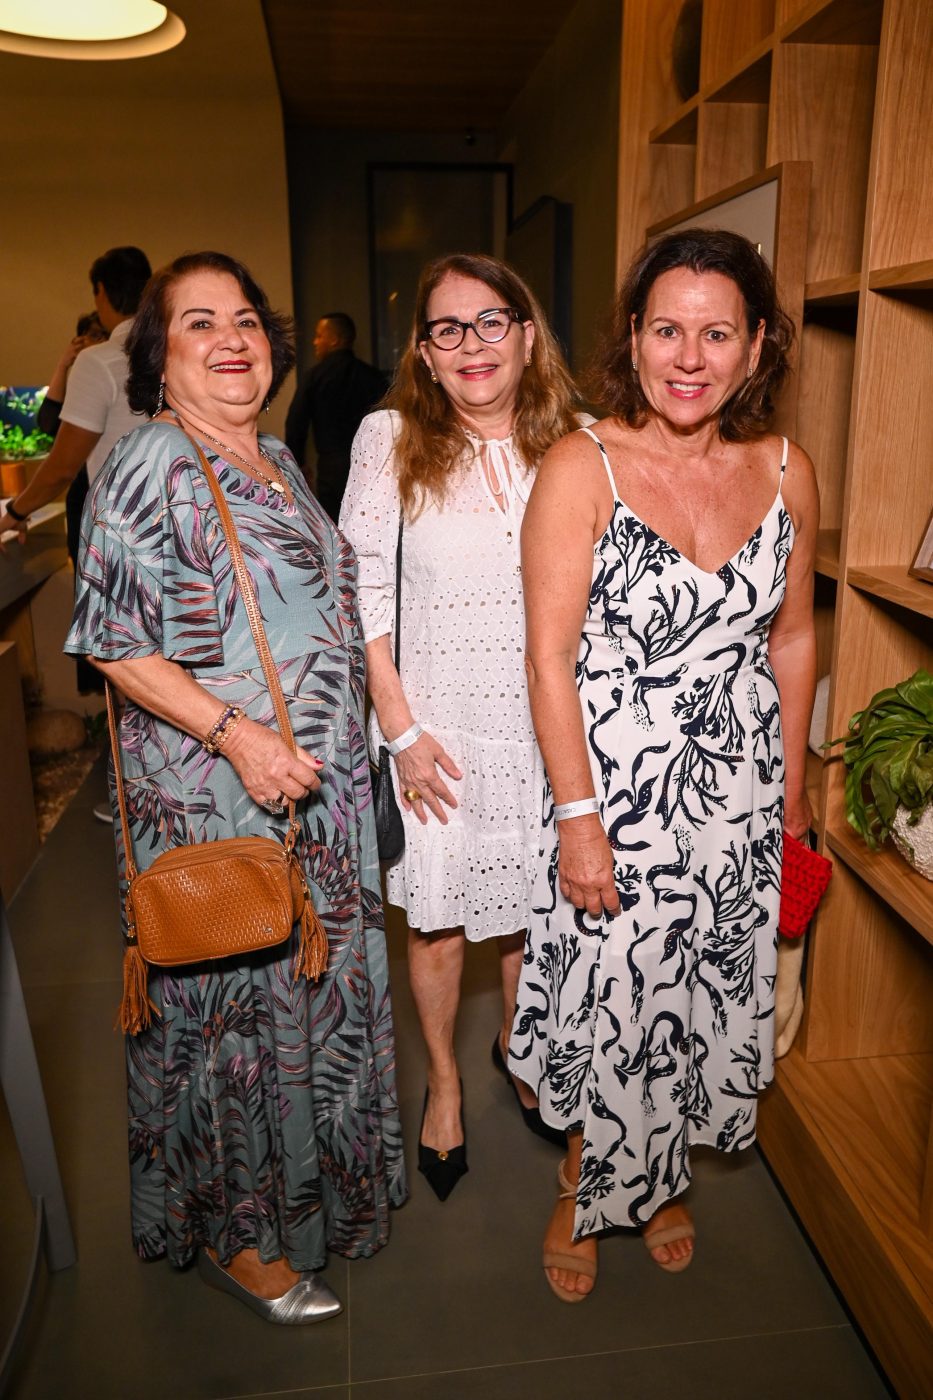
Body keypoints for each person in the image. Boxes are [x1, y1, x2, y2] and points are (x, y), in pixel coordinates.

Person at [64, 251, 407, 1323]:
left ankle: (320, 1202)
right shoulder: (150, 461)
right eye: (200, 321)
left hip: (316, 796)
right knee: (233, 1018)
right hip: (221, 793)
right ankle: (241, 1234)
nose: (233, 338)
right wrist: (243, 737)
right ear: (160, 357)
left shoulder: (272, 457)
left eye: (249, 319)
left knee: (310, 996)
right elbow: (110, 641)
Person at [511, 228, 818, 1302]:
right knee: (615, 994)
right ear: (634, 338)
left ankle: (657, 1168)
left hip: (736, 799)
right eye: (668, 329)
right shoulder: (579, 464)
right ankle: (589, 1176)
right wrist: (578, 818)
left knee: (694, 994)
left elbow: (792, 640)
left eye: (717, 332)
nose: (690, 356)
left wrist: (792, 788)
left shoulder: (785, 469)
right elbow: (547, 657)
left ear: (756, 344)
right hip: (616, 794)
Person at [339, 253, 582, 1201]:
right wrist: (396, 724)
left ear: (526, 337)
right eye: (447, 329)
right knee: (438, 929)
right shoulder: (388, 436)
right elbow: (359, 587)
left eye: (491, 322)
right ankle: (443, 1084)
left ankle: (518, 1045)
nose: (471, 344)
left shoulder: (580, 443)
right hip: (434, 734)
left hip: (543, 730)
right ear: (425, 355)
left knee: (530, 913)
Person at [0, 247, 151, 542]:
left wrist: (15, 513)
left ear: (101, 292)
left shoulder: (100, 360)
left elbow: (62, 467)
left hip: (124, 532)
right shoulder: (176, 352)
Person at [36, 311, 110, 697]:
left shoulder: (113, 370)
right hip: (81, 494)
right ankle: (99, 695)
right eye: (86, 336)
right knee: (88, 594)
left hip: (106, 493)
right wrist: (66, 362)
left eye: (100, 333)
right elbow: (47, 423)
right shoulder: (83, 371)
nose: (93, 341)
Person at [284, 311, 387, 521]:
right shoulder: (373, 377)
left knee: (334, 523)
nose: (315, 342)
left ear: (334, 340)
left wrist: (297, 465)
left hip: (331, 467)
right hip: (371, 465)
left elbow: (296, 423)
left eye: (319, 336)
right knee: (369, 519)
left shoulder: (315, 376)